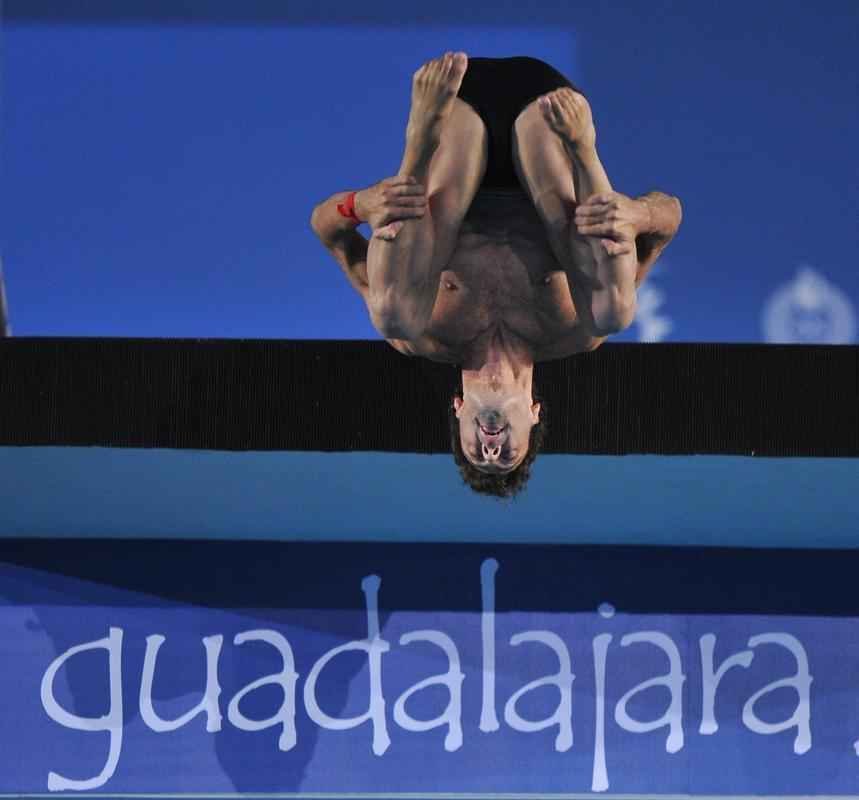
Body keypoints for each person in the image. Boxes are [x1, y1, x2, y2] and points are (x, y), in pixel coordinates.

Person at [311, 53, 682, 497]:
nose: (491, 452)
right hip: (548, 126)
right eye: (508, 455)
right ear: (535, 413)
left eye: (475, 453)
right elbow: (670, 217)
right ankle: (586, 153)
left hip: (455, 127)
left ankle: (418, 143)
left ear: (457, 408)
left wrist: (362, 205)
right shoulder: (574, 332)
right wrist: (637, 214)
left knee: (393, 314)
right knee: (612, 312)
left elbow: (324, 227)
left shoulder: (425, 335)